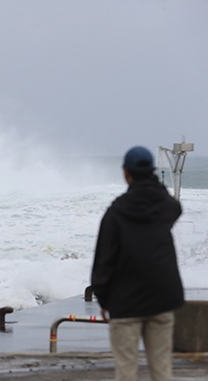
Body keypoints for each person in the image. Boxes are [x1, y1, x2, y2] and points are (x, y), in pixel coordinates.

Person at [91, 146, 184, 381]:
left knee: (126, 371)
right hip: (162, 297)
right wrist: (153, 184)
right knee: (162, 370)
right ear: (153, 172)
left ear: (125, 172)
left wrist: (102, 298)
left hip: (125, 302)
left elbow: (104, 259)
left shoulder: (116, 212)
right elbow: (175, 206)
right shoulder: (163, 207)